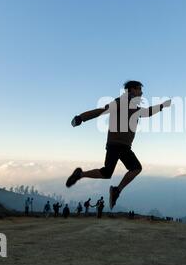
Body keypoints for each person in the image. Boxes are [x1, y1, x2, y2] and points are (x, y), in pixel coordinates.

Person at [66, 81, 171, 210]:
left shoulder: (133, 107)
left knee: (107, 173)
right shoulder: (121, 102)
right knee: (136, 168)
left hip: (119, 145)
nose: (142, 93)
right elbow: (103, 110)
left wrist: (162, 106)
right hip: (119, 145)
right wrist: (81, 118)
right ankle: (116, 190)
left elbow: (147, 113)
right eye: (139, 90)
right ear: (131, 90)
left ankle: (80, 175)